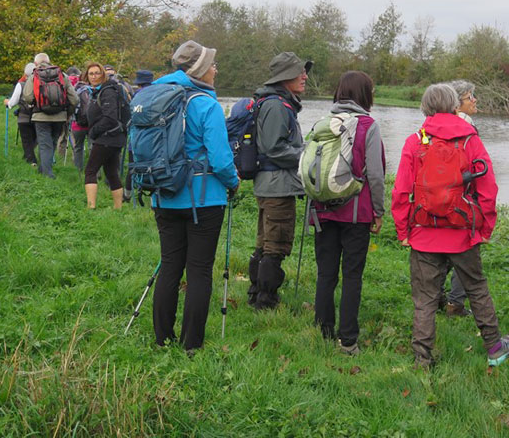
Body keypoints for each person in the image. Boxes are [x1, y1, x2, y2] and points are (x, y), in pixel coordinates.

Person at [391, 83, 509, 369]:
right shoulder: (470, 139)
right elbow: (488, 188)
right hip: (462, 232)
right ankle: (495, 348)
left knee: (425, 298)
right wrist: (485, 227)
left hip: (424, 233)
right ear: (454, 105)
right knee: (477, 288)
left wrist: (402, 231)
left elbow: (401, 191)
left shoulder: (415, 141)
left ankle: (422, 358)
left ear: (425, 108)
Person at [150, 41, 239, 354]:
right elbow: (221, 160)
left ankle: (162, 339)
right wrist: (234, 183)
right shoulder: (207, 105)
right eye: (212, 65)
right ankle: (191, 344)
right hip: (204, 199)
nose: (216, 70)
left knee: (170, 266)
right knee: (199, 270)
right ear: (200, 70)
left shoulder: (157, 96)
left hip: (163, 194)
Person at [311, 71, 386, 355]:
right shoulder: (368, 126)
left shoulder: (323, 122)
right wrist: (378, 211)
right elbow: (375, 175)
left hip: (323, 210)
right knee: (352, 276)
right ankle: (348, 340)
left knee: (325, 274)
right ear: (364, 94)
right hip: (356, 213)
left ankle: (323, 331)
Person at [248, 52, 312, 310]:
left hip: (271, 183)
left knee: (265, 243)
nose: (305, 76)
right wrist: (307, 155)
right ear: (285, 77)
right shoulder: (276, 106)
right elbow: (274, 149)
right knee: (276, 245)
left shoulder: (276, 102)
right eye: (300, 72)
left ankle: (257, 293)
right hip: (277, 186)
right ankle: (266, 300)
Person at [439, 79, 477, 318]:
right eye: (470, 97)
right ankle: (455, 303)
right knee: (465, 251)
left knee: (442, 250)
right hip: (462, 199)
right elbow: (476, 166)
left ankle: (435, 296)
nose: (474, 100)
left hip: (438, 198)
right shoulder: (466, 127)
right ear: (457, 103)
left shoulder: (436, 125)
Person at [22, 53, 79, 179]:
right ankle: (43, 169)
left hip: (40, 116)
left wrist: (36, 103)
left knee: (44, 144)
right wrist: (68, 112)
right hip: (60, 116)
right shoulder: (62, 75)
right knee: (52, 142)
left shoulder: (34, 76)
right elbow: (75, 99)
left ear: (35, 63)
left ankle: (47, 175)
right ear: (49, 61)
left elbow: (27, 97)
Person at [84, 62, 129, 209]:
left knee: (90, 170)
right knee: (111, 173)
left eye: (97, 73)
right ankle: (118, 208)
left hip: (107, 137)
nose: (94, 76)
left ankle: (91, 207)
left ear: (103, 75)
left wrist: (94, 131)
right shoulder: (101, 91)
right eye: (91, 74)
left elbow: (110, 118)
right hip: (115, 137)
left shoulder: (107, 91)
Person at [123, 69, 154, 202]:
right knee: (153, 168)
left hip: (136, 138)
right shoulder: (157, 95)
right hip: (153, 138)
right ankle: (154, 199)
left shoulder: (136, 96)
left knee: (132, 167)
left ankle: (127, 195)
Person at [4, 62, 37, 166]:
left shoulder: (21, 85)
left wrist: (7, 102)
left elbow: (12, 102)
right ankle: (27, 157)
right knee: (33, 139)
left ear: (25, 73)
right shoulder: (40, 84)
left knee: (27, 140)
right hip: (38, 117)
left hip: (24, 117)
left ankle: (32, 161)